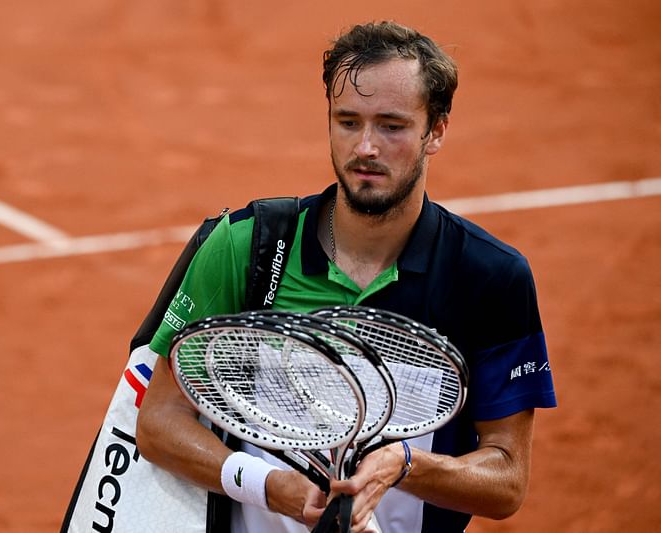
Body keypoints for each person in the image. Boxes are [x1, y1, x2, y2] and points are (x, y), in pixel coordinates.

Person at [136, 20, 557, 533]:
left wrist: (407, 466)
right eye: (348, 121)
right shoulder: (246, 247)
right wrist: (269, 487)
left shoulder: (490, 278)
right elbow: (160, 422)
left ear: (437, 131)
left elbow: (507, 478)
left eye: (392, 125)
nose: (366, 149)